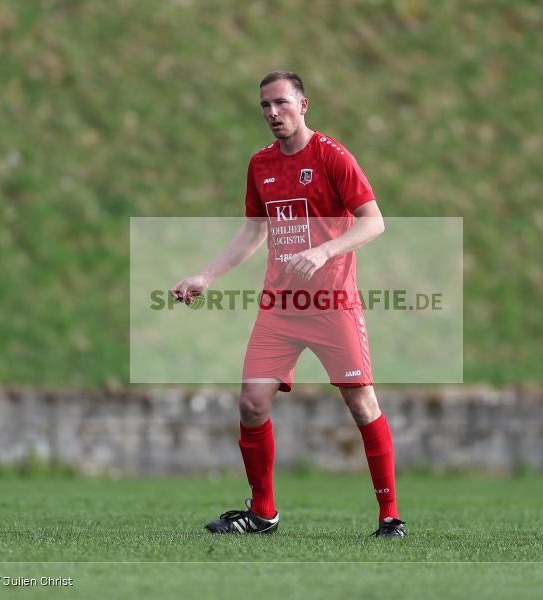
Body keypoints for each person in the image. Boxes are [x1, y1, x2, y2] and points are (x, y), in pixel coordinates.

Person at [172, 71, 405, 537]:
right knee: (252, 403)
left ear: (303, 105)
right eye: (265, 106)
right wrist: (206, 276)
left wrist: (325, 250)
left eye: (281, 103)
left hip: (333, 303)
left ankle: (389, 516)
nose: (272, 113)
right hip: (280, 307)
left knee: (361, 404)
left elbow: (373, 222)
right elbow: (254, 231)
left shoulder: (332, 156)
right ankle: (263, 513)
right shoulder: (260, 164)